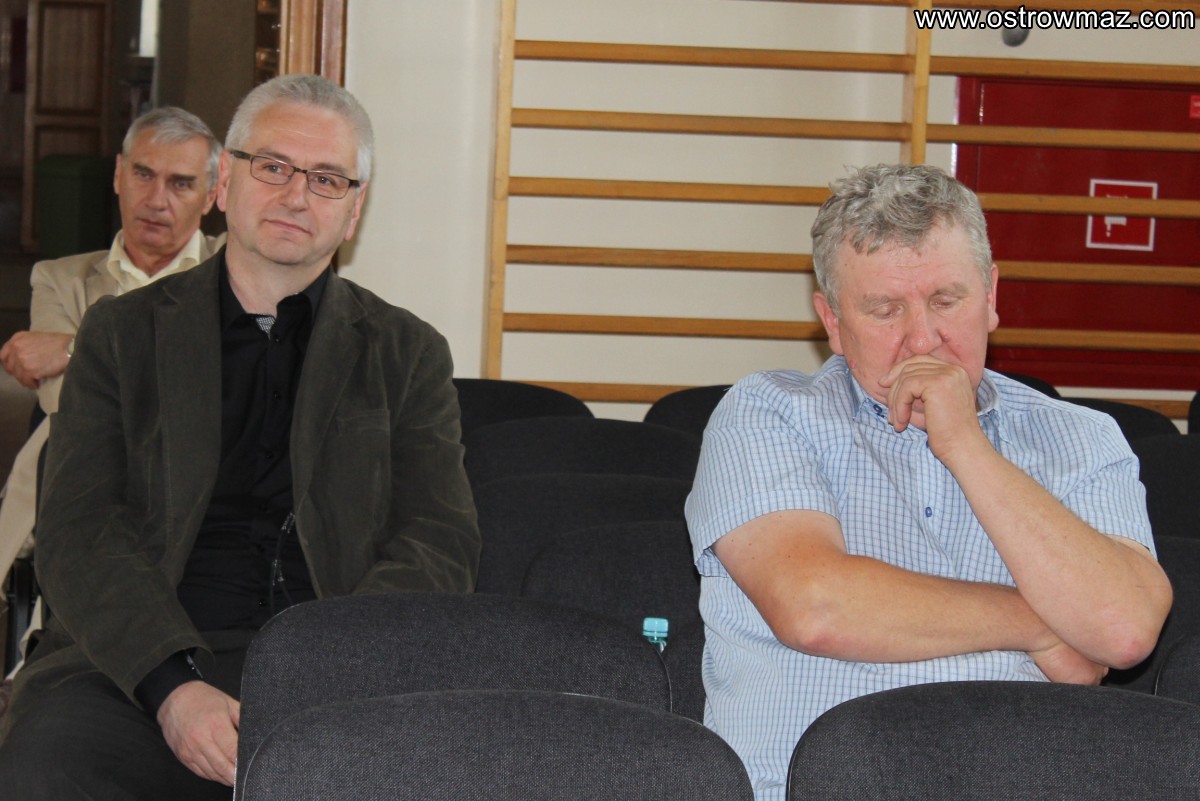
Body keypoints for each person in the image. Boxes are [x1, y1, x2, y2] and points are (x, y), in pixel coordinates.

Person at [0, 74, 480, 799]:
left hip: (336, 664)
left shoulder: (406, 351)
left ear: (353, 211)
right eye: (274, 166)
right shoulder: (122, 334)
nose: (297, 196)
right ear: (225, 181)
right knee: (46, 770)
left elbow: (439, 541)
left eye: (327, 179)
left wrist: (327, 667)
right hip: (136, 662)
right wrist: (172, 688)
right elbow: (81, 529)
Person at [685, 163, 1172, 801]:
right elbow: (816, 607)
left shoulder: (1081, 437)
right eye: (885, 310)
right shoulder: (766, 413)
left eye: (947, 301)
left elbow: (1123, 629)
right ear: (831, 321)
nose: (923, 339)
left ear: (991, 295)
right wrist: (1044, 624)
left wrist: (965, 445)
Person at [0, 107, 224, 632]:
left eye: (181, 183)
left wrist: (76, 347)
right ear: (119, 175)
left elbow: (223, 384)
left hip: (200, 489)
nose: (157, 200)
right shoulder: (60, 279)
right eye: (143, 174)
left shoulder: (234, 275)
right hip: (87, 487)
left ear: (212, 195)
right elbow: (64, 403)